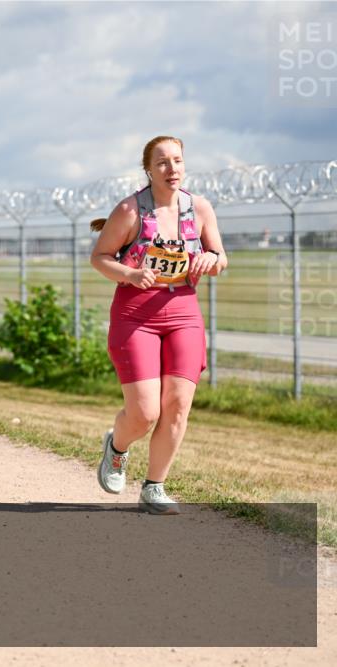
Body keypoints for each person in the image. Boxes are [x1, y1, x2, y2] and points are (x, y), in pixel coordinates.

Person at [90, 136, 227, 515]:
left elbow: (220, 257)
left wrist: (210, 260)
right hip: (136, 315)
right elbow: (100, 258)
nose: (172, 169)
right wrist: (131, 274)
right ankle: (117, 448)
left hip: (184, 313)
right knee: (146, 412)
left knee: (179, 403)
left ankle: (154, 486)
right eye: (163, 162)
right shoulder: (130, 211)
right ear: (148, 169)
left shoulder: (199, 208)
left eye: (178, 161)